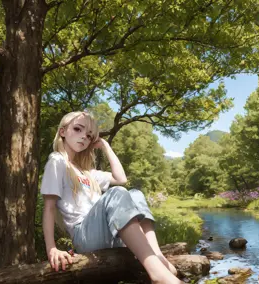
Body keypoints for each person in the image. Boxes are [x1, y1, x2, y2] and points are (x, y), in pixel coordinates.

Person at [41, 111, 181, 284]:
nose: (84, 137)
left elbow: (121, 179)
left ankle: (157, 255)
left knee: (135, 194)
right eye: (78, 129)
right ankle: (158, 275)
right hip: (84, 236)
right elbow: (49, 207)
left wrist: (106, 147)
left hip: (108, 234)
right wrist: (51, 249)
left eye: (89, 135)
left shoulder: (88, 173)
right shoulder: (57, 161)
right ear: (62, 132)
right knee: (116, 193)